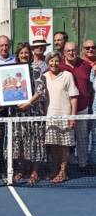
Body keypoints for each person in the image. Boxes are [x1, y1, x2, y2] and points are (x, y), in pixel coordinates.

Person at [9, 42, 48, 184]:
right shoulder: (12, 71)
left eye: (26, 52)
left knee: (35, 141)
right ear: (18, 55)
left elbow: (40, 90)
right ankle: (22, 169)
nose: (24, 55)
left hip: (34, 112)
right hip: (18, 113)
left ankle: (35, 171)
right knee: (20, 141)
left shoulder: (36, 69)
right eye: (21, 53)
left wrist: (29, 103)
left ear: (30, 54)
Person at [44, 51, 78, 183]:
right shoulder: (44, 76)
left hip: (64, 116)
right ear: (48, 62)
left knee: (64, 146)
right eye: (51, 61)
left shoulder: (67, 76)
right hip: (50, 117)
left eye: (56, 60)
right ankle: (55, 169)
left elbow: (73, 98)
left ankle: (63, 172)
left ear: (61, 61)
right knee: (53, 145)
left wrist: (72, 117)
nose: (54, 63)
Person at [60, 42, 92, 169]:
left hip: (82, 108)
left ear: (77, 51)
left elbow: (90, 84)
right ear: (64, 53)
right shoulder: (59, 66)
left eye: (73, 50)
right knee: (64, 139)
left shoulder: (86, 66)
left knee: (83, 138)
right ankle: (63, 166)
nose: (71, 53)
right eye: (68, 51)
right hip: (65, 109)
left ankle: (83, 164)